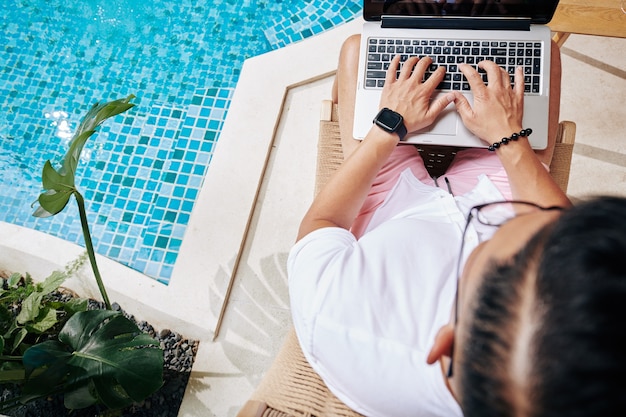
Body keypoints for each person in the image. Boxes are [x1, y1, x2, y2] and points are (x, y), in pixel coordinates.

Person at [287, 34, 626, 416]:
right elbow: (554, 222)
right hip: (489, 182)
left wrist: (389, 125)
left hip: (387, 207)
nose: (542, 223)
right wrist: (509, 139)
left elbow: (324, 221)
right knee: (542, 55)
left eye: (491, 246)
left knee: (357, 51)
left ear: (443, 345)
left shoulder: (331, 316)